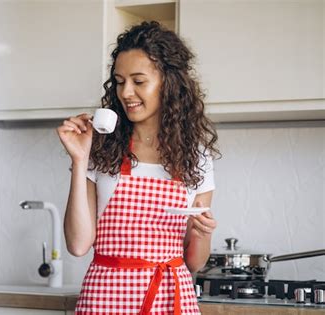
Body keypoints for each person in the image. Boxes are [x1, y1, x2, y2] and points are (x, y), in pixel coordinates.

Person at [57, 21, 220, 315]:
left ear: (168, 83)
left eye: (138, 81)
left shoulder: (196, 158)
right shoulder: (101, 149)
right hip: (105, 300)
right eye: (119, 81)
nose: (126, 92)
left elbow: (194, 262)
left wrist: (203, 233)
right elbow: (79, 245)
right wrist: (80, 161)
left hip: (171, 299)